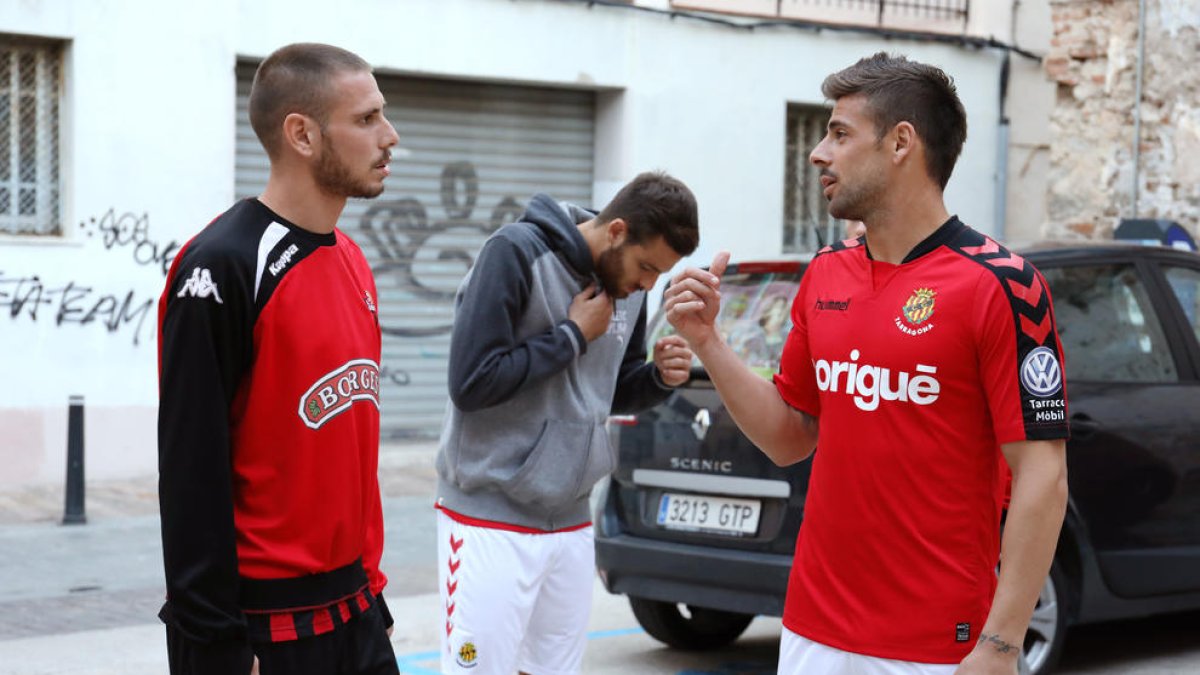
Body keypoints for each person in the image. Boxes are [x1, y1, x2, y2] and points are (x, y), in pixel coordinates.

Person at [665, 52, 1069, 675]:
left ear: (901, 143)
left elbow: (1043, 476)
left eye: (839, 133)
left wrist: (1000, 643)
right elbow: (789, 438)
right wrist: (709, 343)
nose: (817, 153)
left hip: (938, 647)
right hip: (811, 631)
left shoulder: (1003, 285)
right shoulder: (826, 273)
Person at [157, 43, 401, 675]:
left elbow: (349, 452)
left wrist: (373, 595)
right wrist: (215, 646)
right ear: (302, 134)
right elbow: (191, 473)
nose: (390, 136)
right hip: (261, 628)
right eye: (368, 119)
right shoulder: (221, 264)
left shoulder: (352, 260)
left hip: (357, 610)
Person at [434, 171, 700, 675]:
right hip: (489, 519)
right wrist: (573, 335)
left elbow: (608, 390)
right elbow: (470, 382)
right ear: (617, 230)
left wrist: (659, 378)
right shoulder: (514, 252)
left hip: (572, 522)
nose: (647, 284)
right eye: (646, 267)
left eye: (658, 276)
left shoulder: (632, 290)